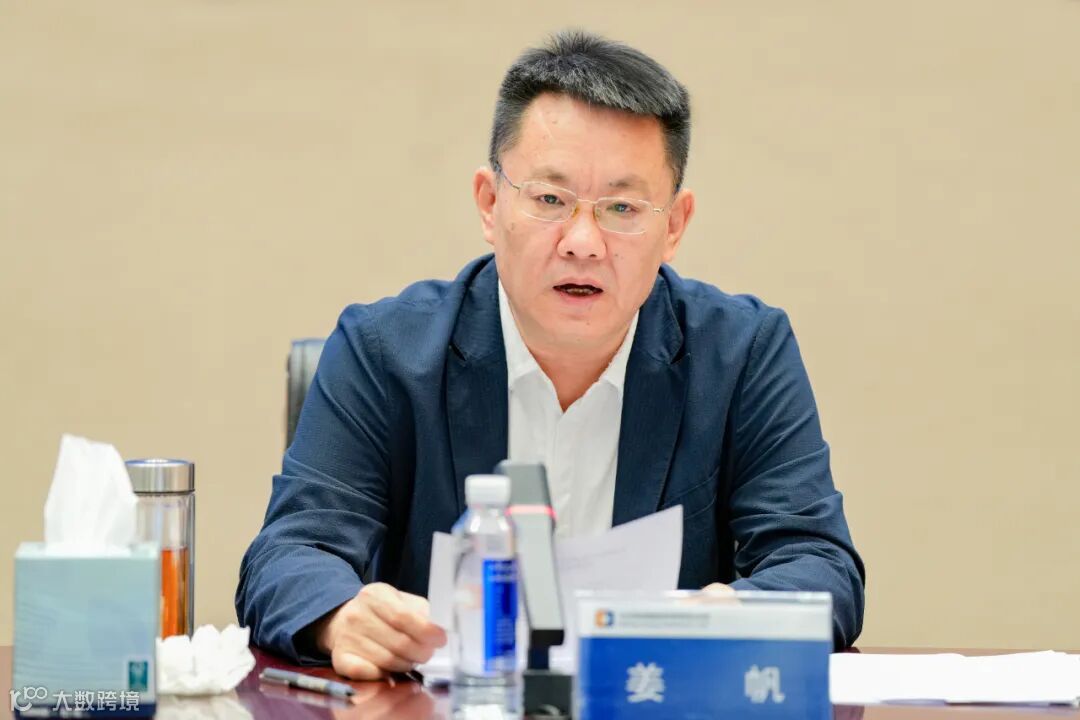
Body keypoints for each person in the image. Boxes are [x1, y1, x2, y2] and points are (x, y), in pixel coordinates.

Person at [236, 30, 865, 680]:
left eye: (622, 207)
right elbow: (289, 555)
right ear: (490, 203)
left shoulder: (741, 356)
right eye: (550, 200)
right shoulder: (383, 353)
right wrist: (341, 616)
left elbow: (819, 566)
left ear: (674, 225)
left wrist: (733, 614)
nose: (583, 242)